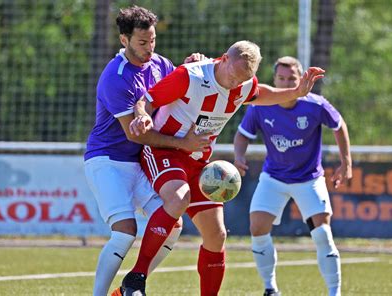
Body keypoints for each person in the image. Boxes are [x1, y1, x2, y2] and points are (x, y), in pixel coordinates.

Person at [115, 42, 325, 296]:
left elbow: (263, 94)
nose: (235, 84)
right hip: (164, 151)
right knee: (179, 197)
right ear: (224, 59)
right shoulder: (190, 76)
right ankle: (136, 279)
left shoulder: (244, 84)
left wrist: (295, 92)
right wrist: (143, 116)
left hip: (197, 163)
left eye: (243, 80)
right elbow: (146, 100)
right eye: (233, 76)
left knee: (217, 234)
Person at [84, 6, 210, 296]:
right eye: (142, 42)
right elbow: (135, 134)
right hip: (108, 162)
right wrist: (182, 144)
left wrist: (194, 66)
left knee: (173, 224)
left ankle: (131, 284)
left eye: (152, 40)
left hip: (138, 162)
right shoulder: (115, 77)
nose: (149, 48)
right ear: (124, 40)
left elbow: (181, 84)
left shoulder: (160, 63)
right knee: (124, 232)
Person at [233, 56, 352, 296]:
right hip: (274, 178)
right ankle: (270, 288)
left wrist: (345, 162)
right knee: (257, 228)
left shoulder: (315, 105)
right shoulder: (261, 106)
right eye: (281, 78)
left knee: (322, 234)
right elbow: (242, 134)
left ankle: (334, 292)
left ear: (301, 80)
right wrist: (239, 155)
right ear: (274, 79)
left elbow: (339, 126)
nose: (287, 83)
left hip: (309, 179)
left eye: (292, 79)